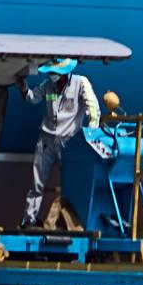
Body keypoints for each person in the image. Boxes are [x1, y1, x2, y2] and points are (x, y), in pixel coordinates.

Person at [21, 58, 100, 228]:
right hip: (46, 141)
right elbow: (32, 98)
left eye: (54, 72)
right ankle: (29, 220)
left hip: (69, 143)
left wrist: (91, 137)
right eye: (50, 73)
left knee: (72, 184)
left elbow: (93, 110)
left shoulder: (80, 83)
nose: (52, 76)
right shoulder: (47, 85)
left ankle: (72, 223)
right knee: (37, 183)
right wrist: (22, 87)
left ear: (64, 72)